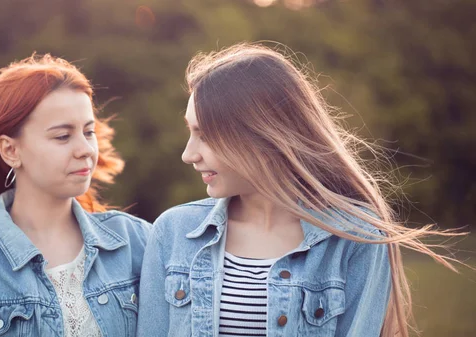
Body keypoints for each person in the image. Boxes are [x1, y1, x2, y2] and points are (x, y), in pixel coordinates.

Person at [136, 43, 464, 337]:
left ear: (262, 134)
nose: (188, 154)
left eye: (205, 135)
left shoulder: (355, 237)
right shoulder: (174, 232)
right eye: (190, 132)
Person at [0, 54, 149, 337]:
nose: (86, 149)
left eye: (88, 131)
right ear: (10, 150)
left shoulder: (136, 241)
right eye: (62, 136)